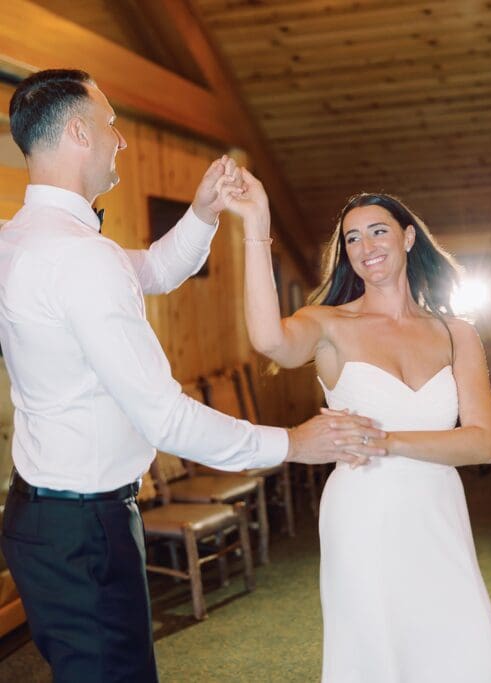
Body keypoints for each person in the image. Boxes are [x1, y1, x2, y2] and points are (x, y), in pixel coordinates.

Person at [0, 69, 379, 683]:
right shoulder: (77, 258)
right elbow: (166, 417)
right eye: (112, 125)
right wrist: (293, 443)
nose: (119, 140)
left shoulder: (22, 239)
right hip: (82, 531)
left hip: (46, 519)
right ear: (78, 132)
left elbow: (149, 269)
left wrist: (203, 213)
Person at [219, 168, 491, 681]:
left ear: (408, 237)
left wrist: (385, 439)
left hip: (438, 511)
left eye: (378, 230)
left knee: (464, 650)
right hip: (362, 515)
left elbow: (483, 444)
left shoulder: (456, 332)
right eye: (352, 237)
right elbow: (268, 341)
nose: (365, 245)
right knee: (376, 653)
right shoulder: (329, 324)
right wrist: (257, 228)